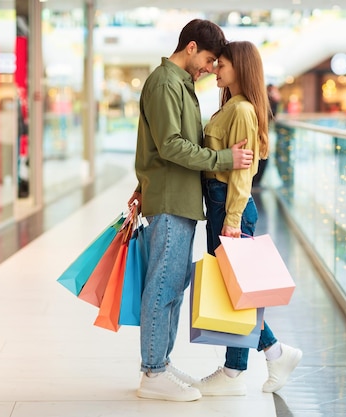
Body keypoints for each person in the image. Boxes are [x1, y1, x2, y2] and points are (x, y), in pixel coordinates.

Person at [127, 19, 254, 402]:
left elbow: (157, 146)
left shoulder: (180, 84)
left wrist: (139, 185)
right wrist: (224, 158)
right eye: (211, 60)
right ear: (192, 46)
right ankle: (152, 372)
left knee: (174, 283)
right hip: (170, 199)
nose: (212, 69)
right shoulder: (166, 83)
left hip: (178, 197)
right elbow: (169, 145)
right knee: (163, 284)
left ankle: (160, 364)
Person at [193, 41, 302, 396]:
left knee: (235, 292)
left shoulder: (241, 110)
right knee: (234, 290)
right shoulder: (232, 106)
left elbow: (243, 173)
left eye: (221, 64)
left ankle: (234, 370)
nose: (215, 70)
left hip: (229, 207)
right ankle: (275, 353)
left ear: (239, 68)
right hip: (221, 206)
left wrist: (233, 219)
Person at [251, 83, 279, 189]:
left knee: (264, 155)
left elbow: (273, 115)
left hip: (264, 132)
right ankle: (256, 181)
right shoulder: (264, 100)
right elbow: (272, 115)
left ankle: (257, 181)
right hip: (261, 132)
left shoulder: (268, 100)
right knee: (263, 155)